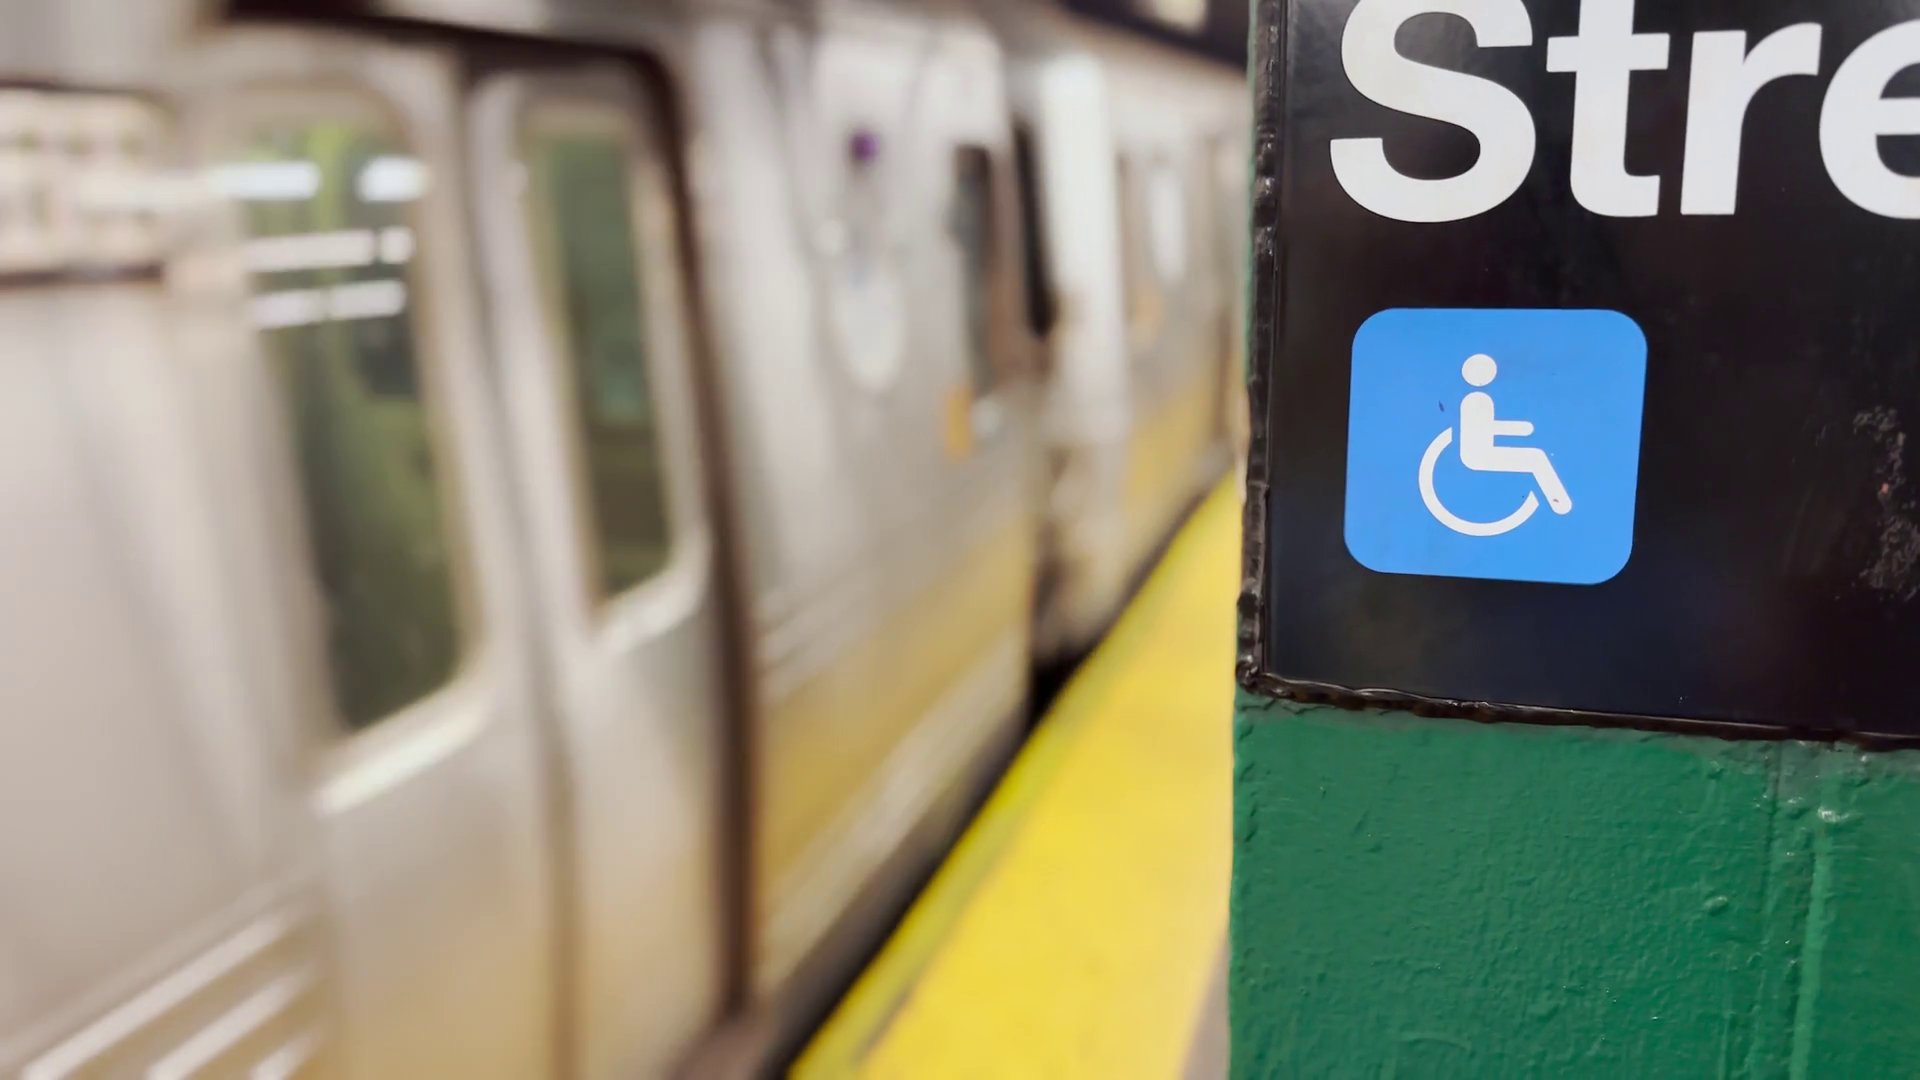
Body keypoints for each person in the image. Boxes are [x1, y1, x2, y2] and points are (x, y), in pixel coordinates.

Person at [1456, 353, 1572, 514]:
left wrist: (1521, 429)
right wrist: (1522, 429)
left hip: (1484, 452)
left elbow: (1488, 429)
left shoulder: (1479, 399)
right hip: (1479, 456)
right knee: (1535, 457)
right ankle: (1560, 503)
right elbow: (1484, 430)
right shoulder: (1476, 401)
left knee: (1535, 456)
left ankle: (1558, 501)